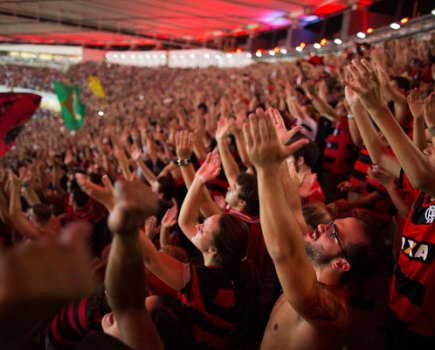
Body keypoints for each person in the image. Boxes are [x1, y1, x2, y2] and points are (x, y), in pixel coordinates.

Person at [242, 108, 379, 350]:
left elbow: (283, 253)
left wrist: (265, 168)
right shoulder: (316, 263)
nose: (323, 226)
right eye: (332, 225)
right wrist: (282, 157)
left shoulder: (331, 311)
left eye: (334, 233)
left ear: (340, 264)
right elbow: (295, 210)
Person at [347, 59, 435, 348]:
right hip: (400, 303)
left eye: (434, 145)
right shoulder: (419, 184)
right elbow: (377, 153)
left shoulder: (423, 179)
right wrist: (358, 105)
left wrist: (378, 108)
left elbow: (423, 176)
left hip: (425, 327)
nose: (427, 147)